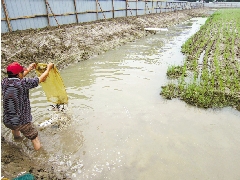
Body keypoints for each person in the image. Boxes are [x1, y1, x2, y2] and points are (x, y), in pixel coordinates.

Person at [1, 62, 54, 150]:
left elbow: (17, 78)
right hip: (23, 122)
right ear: (18, 74)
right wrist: (48, 68)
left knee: (14, 127)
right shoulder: (24, 83)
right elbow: (41, 78)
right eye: (22, 72)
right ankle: (39, 156)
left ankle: (17, 141)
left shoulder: (4, 82)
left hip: (7, 120)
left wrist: (29, 69)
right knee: (35, 138)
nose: (23, 73)